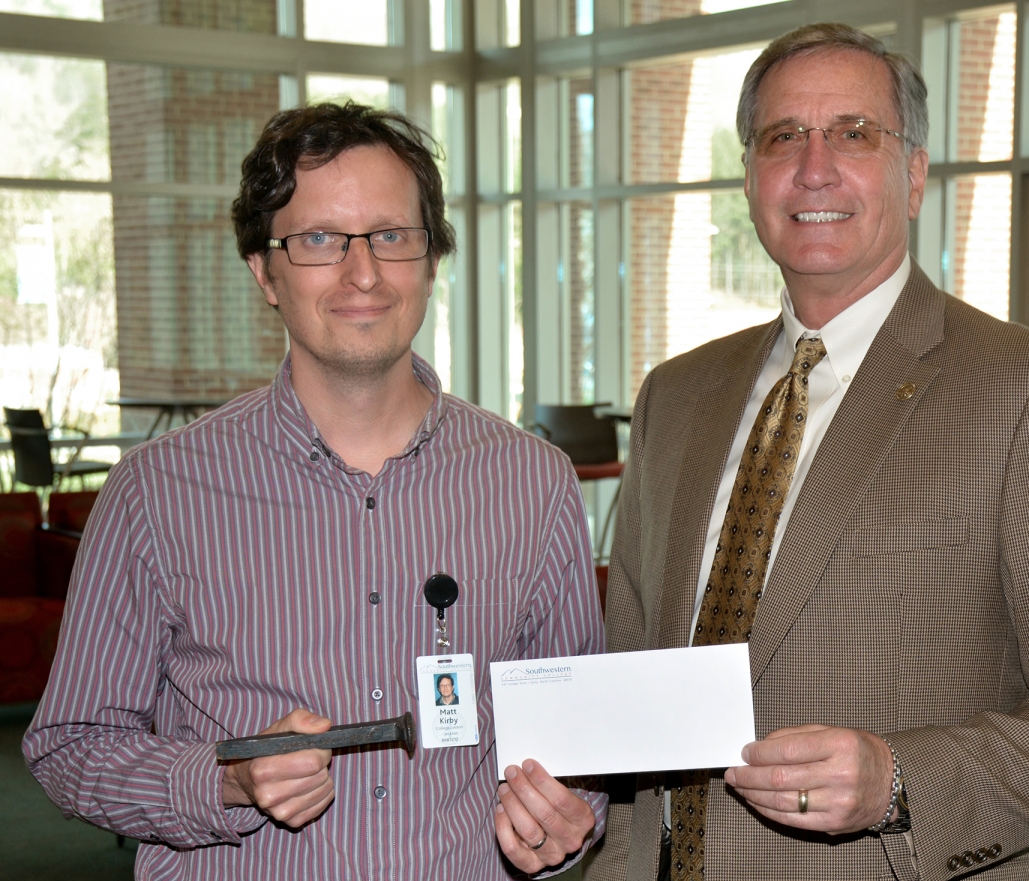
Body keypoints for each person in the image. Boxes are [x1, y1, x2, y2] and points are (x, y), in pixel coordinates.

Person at [584, 22, 1029, 881]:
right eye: (782, 136)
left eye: (854, 133)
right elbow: (635, 674)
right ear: (752, 174)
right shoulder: (675, 396)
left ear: (913, 174)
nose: (814, 165)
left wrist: (901, 780)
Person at [24, 102, 605, 880]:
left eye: (392, 236)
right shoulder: (157, 491)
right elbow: (69, 745)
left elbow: (581, 747)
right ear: (264, 271)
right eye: (320, 240)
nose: (362, 273)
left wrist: (571, 822)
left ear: (431, 260)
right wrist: (224, 780)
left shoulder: (533, 480)